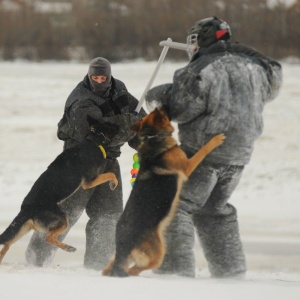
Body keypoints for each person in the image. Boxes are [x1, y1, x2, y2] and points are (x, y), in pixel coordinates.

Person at [145, 17, 282, 278]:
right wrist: (237, 49)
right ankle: (230, 274)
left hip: (203, 154)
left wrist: (161, 94)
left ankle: (172, 276)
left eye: (193, 41)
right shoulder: (255, 68)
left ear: (202, 40)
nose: (191, 47)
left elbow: (181, 109)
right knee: (214, 210)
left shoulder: (200, 69)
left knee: (173, 205)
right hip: (239, 156)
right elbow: (275, 74)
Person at [25, 57, 146, 270]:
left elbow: (141, 126)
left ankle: (98, 265)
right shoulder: (80, 99)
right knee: (64, 213)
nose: (99, 81)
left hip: (108, 162)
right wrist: (127, 123)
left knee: (108, 215)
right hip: (79, 162)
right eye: (95, 77)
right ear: (89, 77)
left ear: (109, 77)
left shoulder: (121, 94)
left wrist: (144, 142)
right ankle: (36, 260)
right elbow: (98, 131)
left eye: (103, 77)